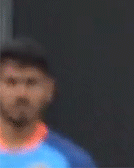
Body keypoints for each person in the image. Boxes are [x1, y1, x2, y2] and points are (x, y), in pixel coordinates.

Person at [0, 37, 94, 168]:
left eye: (31, 83)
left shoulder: (72, 160)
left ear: (49, 90)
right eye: (11, 82)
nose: (21, 94)